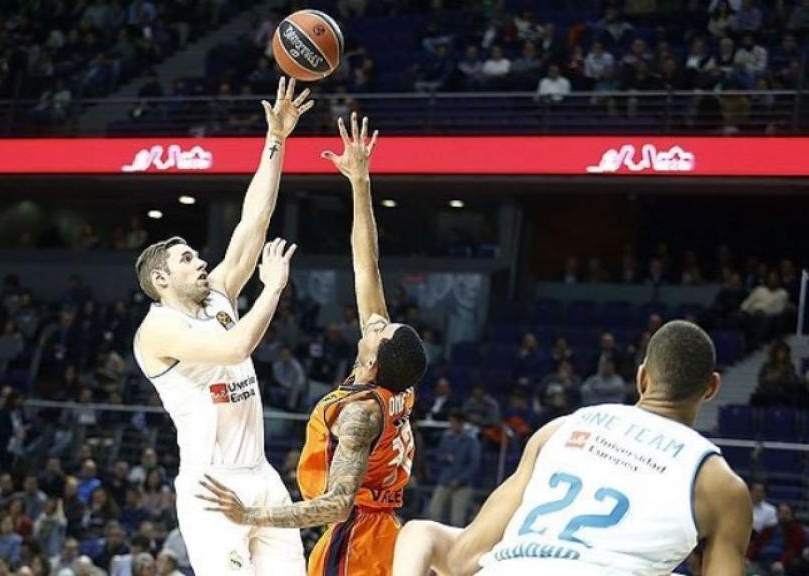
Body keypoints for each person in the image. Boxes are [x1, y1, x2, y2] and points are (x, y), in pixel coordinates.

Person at [198, 113, 427, 576]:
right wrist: (360, 183)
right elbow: (367, 266)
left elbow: (336, 504)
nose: (375, 323)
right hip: (384, 533)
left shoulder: (362, 414)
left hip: (356, 541)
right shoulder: (393, 382)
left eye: (379, 331)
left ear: (372, 360)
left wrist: (250, 515)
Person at [394, 320, 751, 576]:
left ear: (642, 377)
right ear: (711, 388)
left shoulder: (560, 429)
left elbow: (462, 559)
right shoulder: (719, 483)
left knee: (421, 531)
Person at [132, 77, 313, 576]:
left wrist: (276, 139)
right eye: (187, 259)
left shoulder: (219, 295)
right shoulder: (157, 331)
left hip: (262, 475)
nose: (201, 262)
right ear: (162, 279)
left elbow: (254, 220)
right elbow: (235, 348)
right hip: (212, 484)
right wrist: (272, 289)